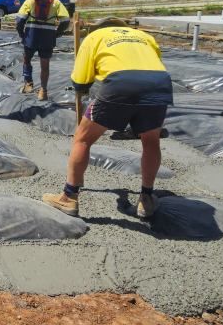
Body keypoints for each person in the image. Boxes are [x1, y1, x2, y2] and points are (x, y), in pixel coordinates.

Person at [42, 18, 173, 220]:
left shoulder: (94, 37)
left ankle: (69, 196)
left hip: (120, 84)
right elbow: (152, 64)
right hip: (159, 84)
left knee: (83, 139)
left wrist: (83, 89)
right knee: (150, 140)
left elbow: (80, 80)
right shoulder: (144, 37)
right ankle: (146, 198)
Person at [15, 0, 70, 100]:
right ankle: (43, 91)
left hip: (31, 36)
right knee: (45, 65)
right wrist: (57, 33)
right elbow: (66, 20)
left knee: (26, 58)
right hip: (47, 36)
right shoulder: (56, 2)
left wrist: (21, 34)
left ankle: (28, 82)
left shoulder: (30, 1)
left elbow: (19, 20)